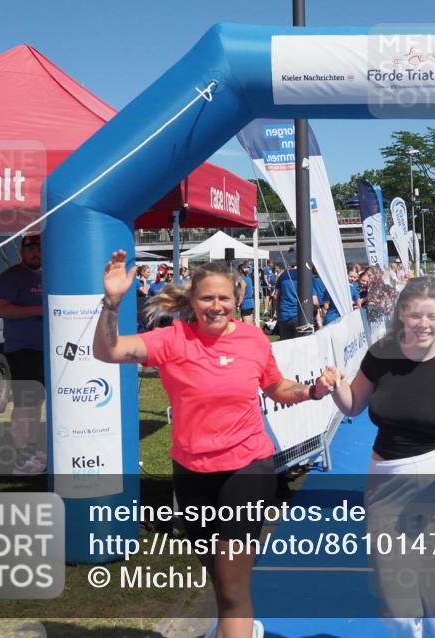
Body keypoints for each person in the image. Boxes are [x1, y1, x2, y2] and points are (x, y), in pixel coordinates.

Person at [93, 250, 336, 638]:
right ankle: (236, 627)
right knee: (218, 575)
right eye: (207, 298)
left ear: (237, 300)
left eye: (224, 298)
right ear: (192, 302)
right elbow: (107, 351)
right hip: (191, 472)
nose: (216, 306)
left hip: (246, 469)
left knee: (233, 584)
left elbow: (275, 386)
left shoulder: (254, 339)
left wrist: (312, 390)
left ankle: (236, 629)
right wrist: (112, 302)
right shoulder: (172, 340)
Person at [319, 277, 435, 638]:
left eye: (431, 316)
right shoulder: (380, 355)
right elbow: (352, 404)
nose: (424, 324)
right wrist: (335, 387)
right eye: (415, 316)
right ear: (401, 314)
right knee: (396, 601)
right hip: (385, 479)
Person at [0, 233, 46, 475]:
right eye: (31, 249)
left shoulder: (49, 274)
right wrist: (37, 309)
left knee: (36, 404)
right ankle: (21, 459)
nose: (36, 253)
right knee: (24, 405)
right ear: (21, 252)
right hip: (21, 350)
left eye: (39, 248)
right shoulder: (11, 277)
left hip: (46, 350)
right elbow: (1, 310)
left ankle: (32, 450)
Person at [273, 263, 301, 340]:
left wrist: (276, 312)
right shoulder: (301, 275)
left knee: (285, 344)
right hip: (298, 315)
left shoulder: (282, 277)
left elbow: (275, 296)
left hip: (284, 314)